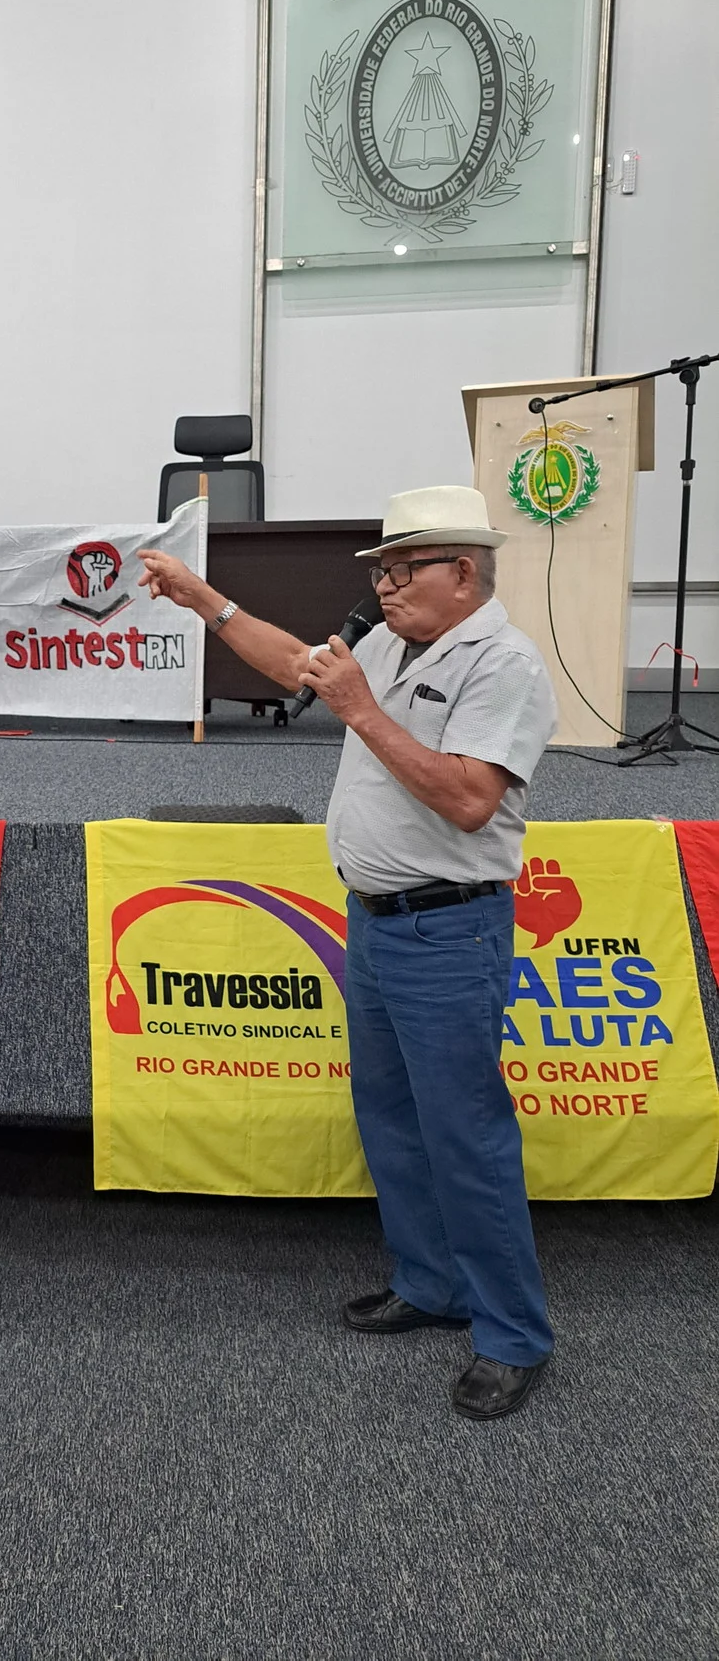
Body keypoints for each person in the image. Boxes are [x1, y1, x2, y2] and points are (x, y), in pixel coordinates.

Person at [139, 485, 557, 1423]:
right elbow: (296, 663)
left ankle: (511, 1336)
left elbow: (468, 801)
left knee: (466, 1137)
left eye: (403, 569)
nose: (383, 585)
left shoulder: (504, 664)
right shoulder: (391, 644)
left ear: (463, 572)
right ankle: (431, 1283)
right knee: (392, 1120)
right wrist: (204, 600)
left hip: (448, 928)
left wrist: (362, 710)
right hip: (372, 922)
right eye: (380, 569)